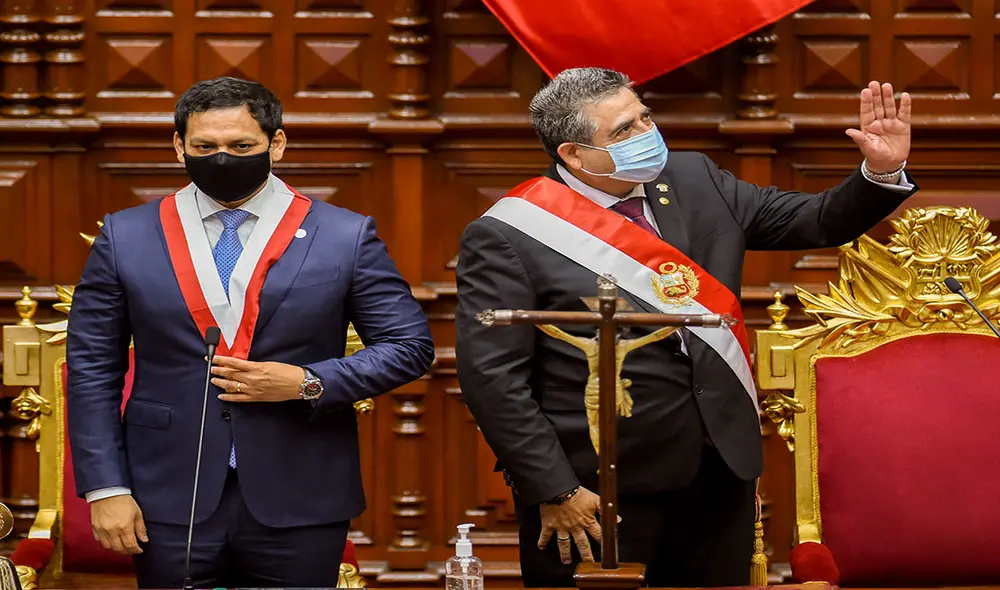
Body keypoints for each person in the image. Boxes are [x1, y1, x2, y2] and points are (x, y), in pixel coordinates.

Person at [455, 68, 916, 587]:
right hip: (596, 489)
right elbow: (493, 379)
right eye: (623, 130)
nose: (645, 134)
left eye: (644, 117)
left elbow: (817, 219)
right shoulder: (511, 233)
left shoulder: (695, 179)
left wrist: (880, 171)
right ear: (573, 154)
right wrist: (554, 490)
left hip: (718, 471)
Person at [67, 77, 435, 588]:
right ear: (179, 147)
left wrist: (308, 381)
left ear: (275, 144)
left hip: (300, 489)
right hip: (167, 492)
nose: (222, 158)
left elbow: (409, 346)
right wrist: (106, 487)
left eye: (241, 146)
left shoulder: (345, 235)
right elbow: (92, 369)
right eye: (204, 147)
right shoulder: (125, 236)